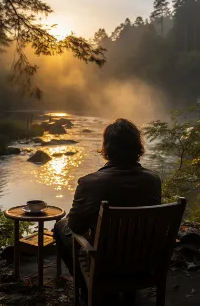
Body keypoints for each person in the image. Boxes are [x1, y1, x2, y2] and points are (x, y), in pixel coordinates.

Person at [53, 118, 161, 298]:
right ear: (138, 147)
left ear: (107, 147)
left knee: (60, 226)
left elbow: (76, 227)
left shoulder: (90, 182)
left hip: (106, 265)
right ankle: (129, 290)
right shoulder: (153, 180)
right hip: (143, 264)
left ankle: (87, 287)